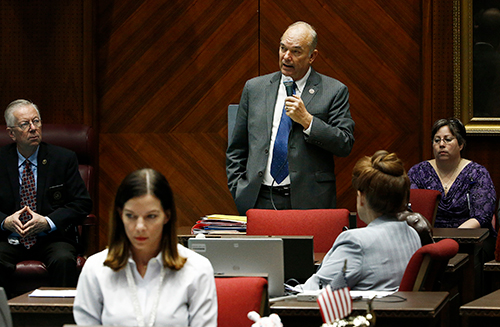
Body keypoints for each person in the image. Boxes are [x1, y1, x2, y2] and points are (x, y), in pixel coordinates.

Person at [226, 21, 355, 215]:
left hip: (309, 201)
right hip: (258, 199)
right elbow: (237, 147)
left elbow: (345, 143)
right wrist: (239, 188)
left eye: (296, 52)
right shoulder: (255, 88)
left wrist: (308, 121)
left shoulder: (334, 91)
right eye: (282, 48)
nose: (286, 57)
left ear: (312, 56)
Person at [73, 168, 217, 326]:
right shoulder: (96, 268)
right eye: (131, 216)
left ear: (167, 216)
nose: (140, 226)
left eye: (151, 216)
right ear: (120, 215)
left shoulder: (197, 269)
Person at [0, 99, 92, 296]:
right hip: (9, 239)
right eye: (25, 124)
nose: (33, 128)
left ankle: (58, 318)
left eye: (37, 121)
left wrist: (48, 221)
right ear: (11, 133)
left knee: (63, 260)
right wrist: (5, 221)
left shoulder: (63, 158)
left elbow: (82, 203)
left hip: (52, 239)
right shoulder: (0, 160)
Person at [302, 150, 421, 291]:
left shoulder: (356, 242)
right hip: (391, 309)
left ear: (362, 197)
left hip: (356, 311)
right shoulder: (412, 234)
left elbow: (314, 291)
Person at [408, 118, 497, 258]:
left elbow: (482, 217)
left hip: (470, 241)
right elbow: (411, 212)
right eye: (437, 140)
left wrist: (453, 238)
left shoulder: (477, 173)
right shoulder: (418, 172)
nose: (441, 144)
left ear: (461, 144)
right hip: (427, 240)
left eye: (448, 139)